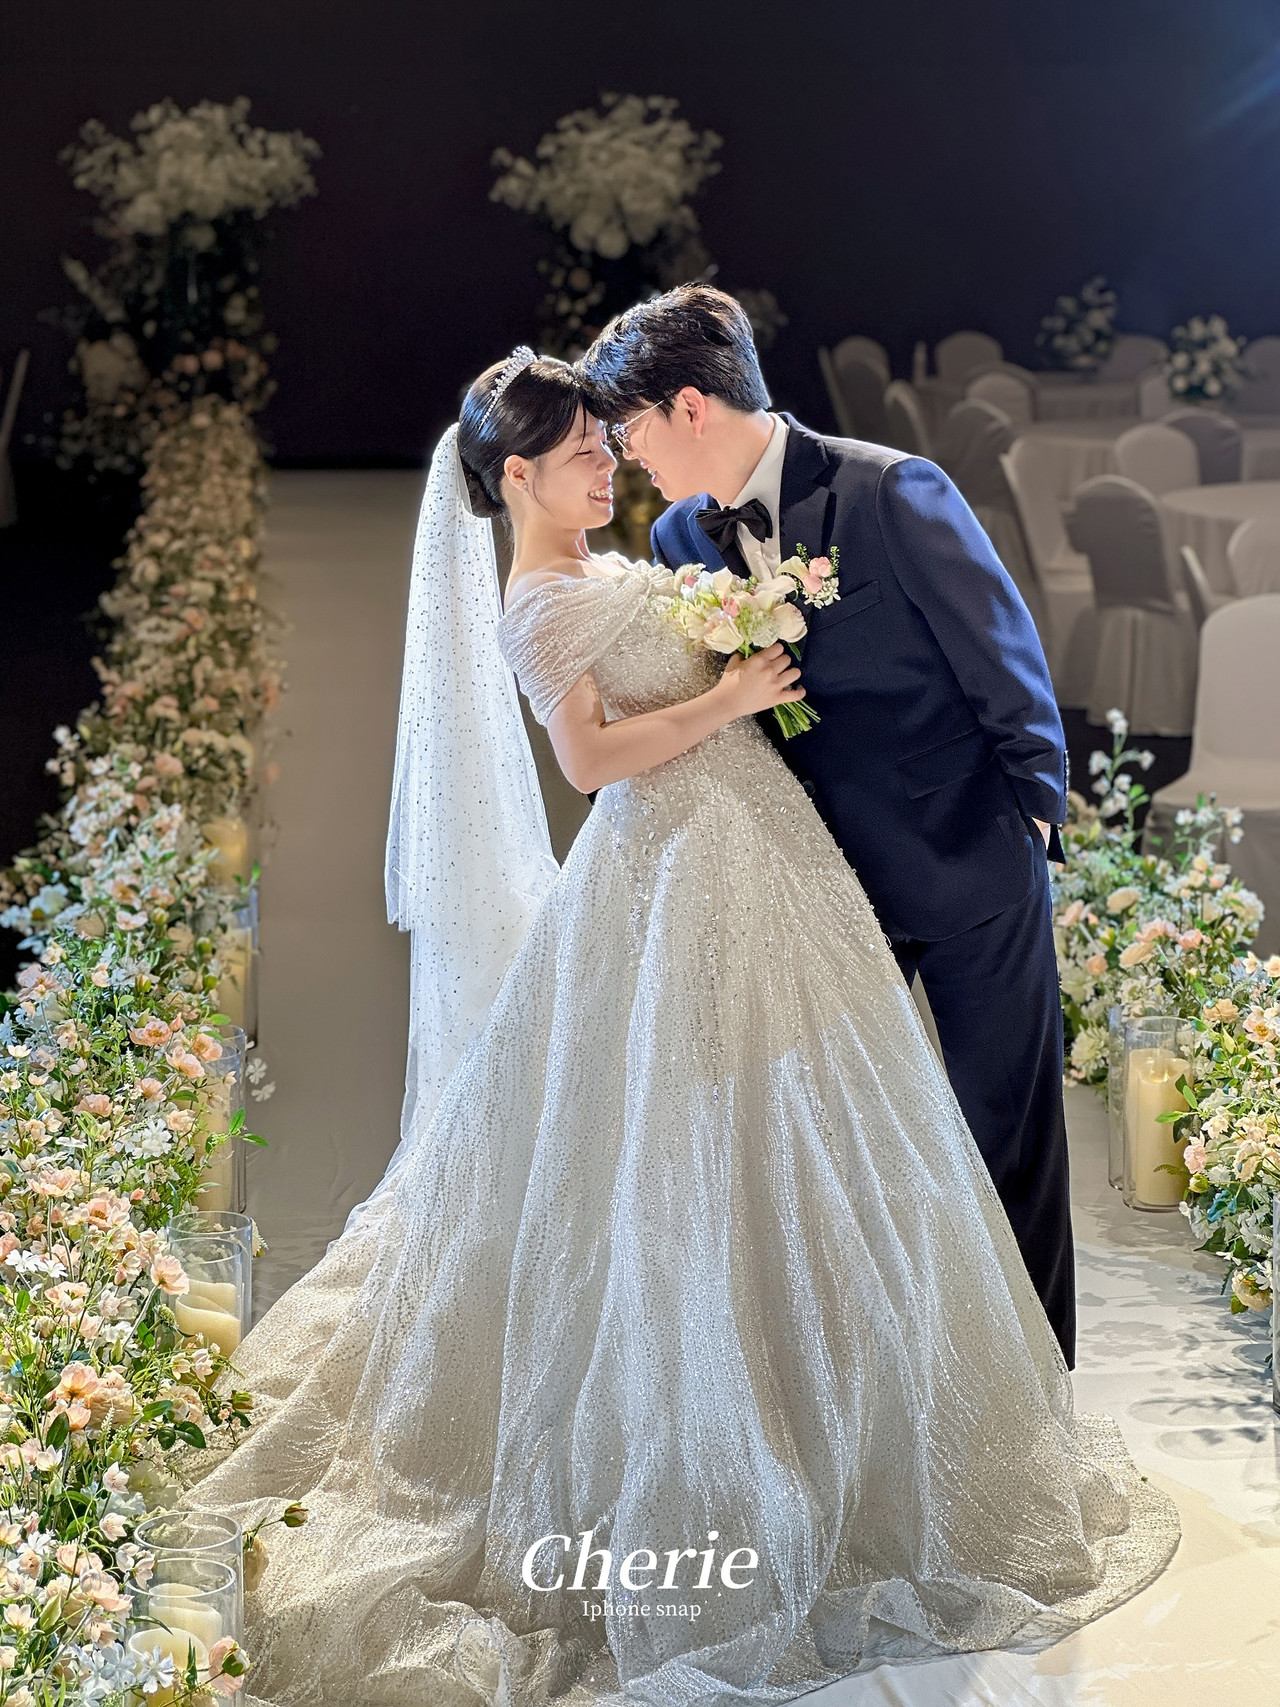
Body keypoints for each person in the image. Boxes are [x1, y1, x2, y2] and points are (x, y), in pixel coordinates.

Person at [186, 351, 1177, 1707]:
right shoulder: (538, 597)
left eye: (611, 442)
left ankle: (861, 1404)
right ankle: (720, 1436)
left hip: (765, 857)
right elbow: (590, 759)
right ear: (517, 475)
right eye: (581, 453)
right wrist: (726, 697)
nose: (610, 465)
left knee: (821, 1134)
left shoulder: (631, 558)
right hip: (670, 875)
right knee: (676, 1151)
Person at [579, 287, 1077, 1368]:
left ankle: (1038, 1396)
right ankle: (884, 1394)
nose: (627, 455)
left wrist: (1034, 819)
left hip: (967, 861)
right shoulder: (678, 535)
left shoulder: (890, 490)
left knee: (1007, 1139)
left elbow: (1004, 659)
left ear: (689, 406)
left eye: (630, 429)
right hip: (817, 884)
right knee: (843, 1148)